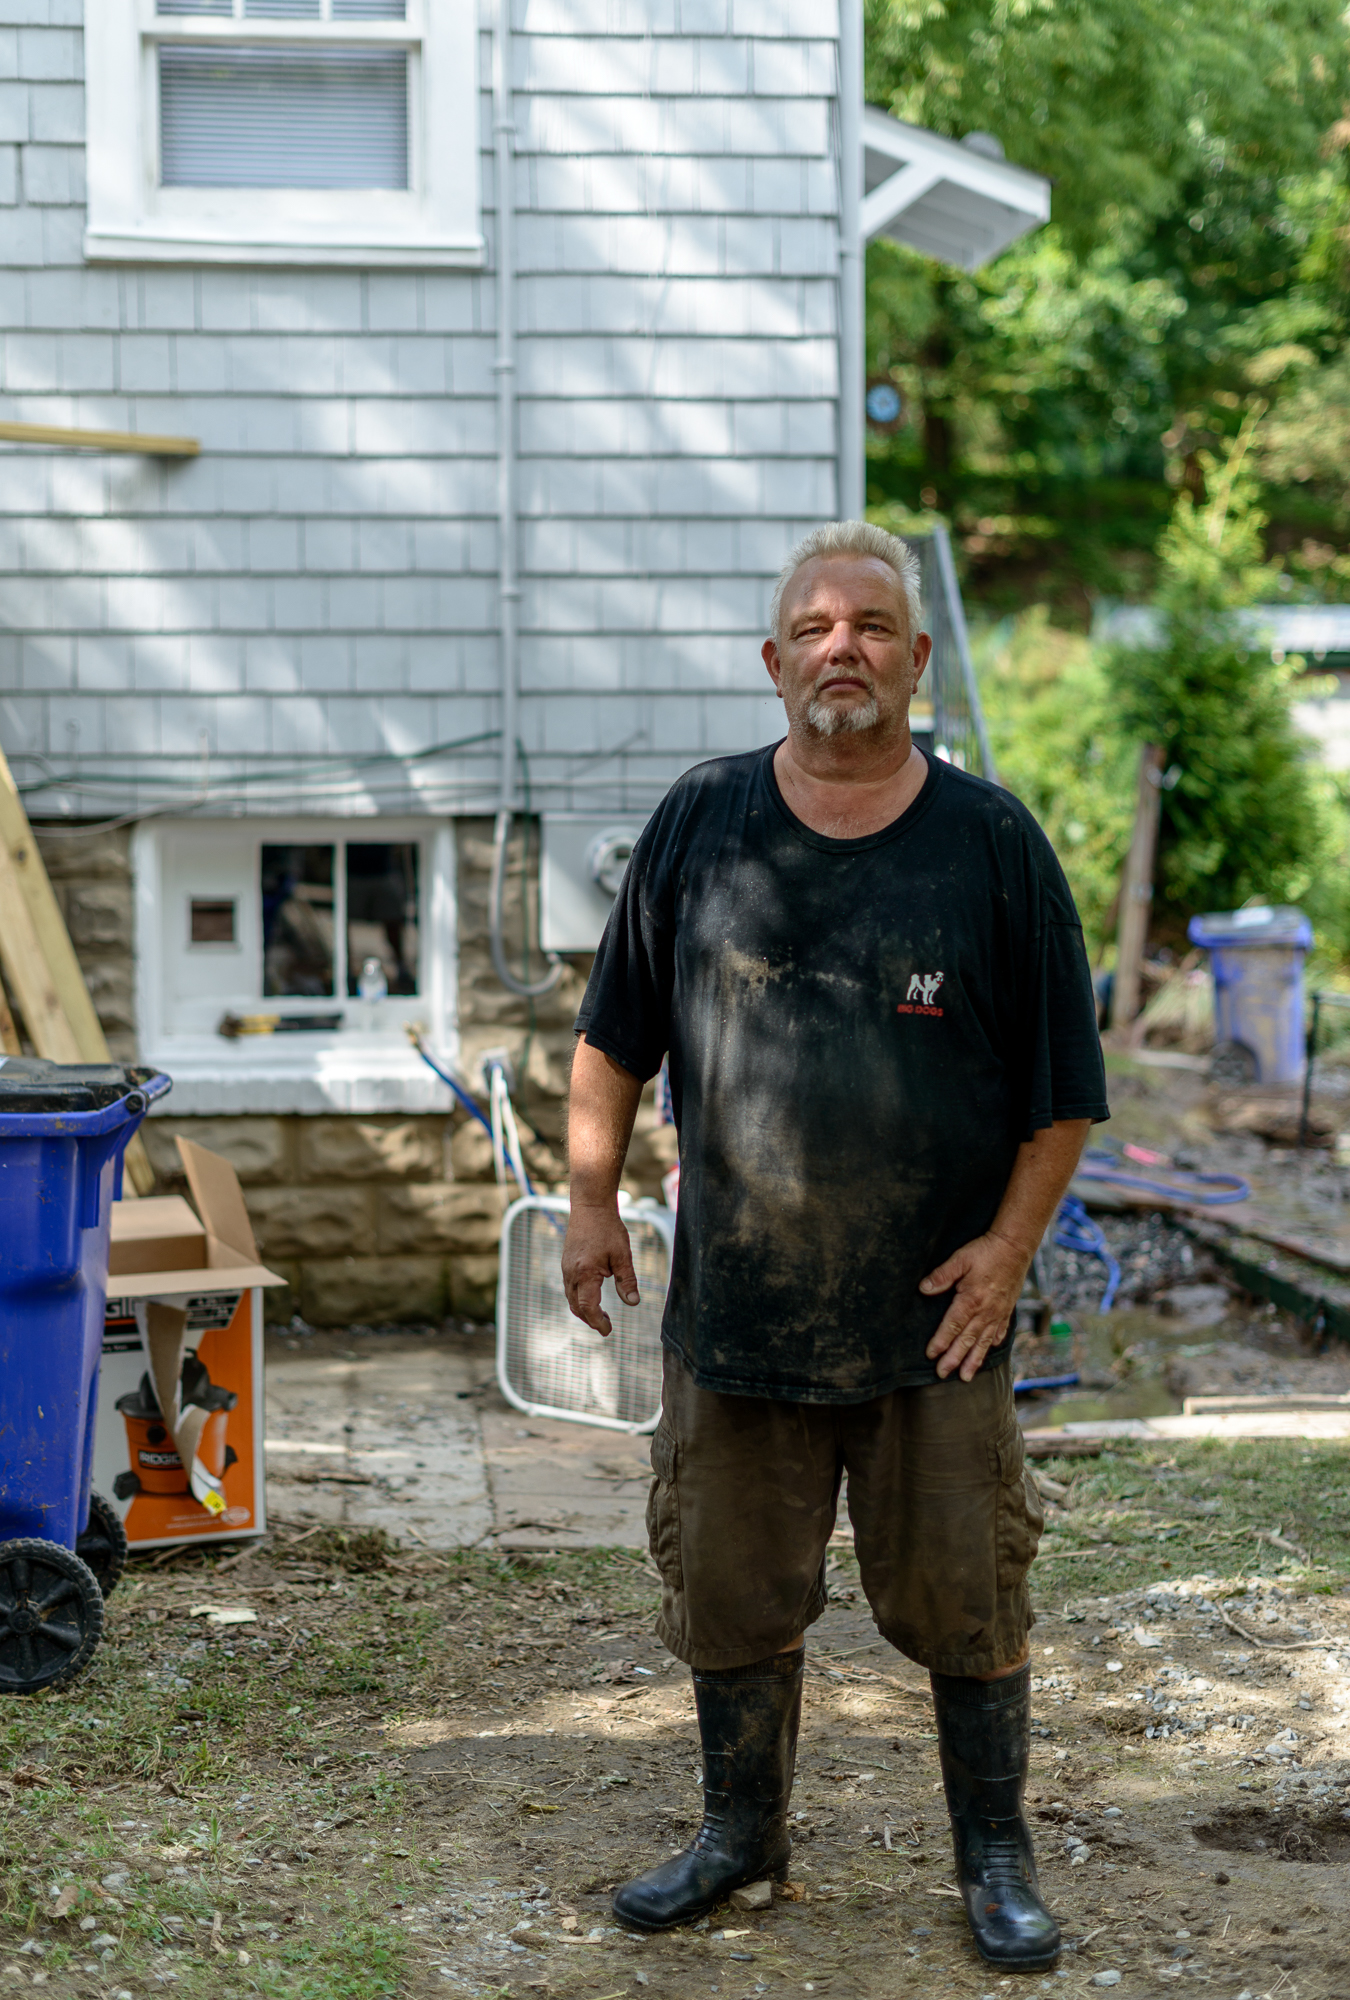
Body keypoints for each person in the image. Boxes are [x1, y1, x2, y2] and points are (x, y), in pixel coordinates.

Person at [562, 521, 1108, 1971]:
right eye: (812, 627)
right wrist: (588, 1198)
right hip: (738, 1313)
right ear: (772, 660)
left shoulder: (990, 844)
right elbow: (610, 1041)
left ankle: (993, 1852)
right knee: (731, 1591)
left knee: (965, 1592)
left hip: (936, 1325)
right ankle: (740, 1837)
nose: (840, 649)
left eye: (869, 625)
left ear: (916, 658)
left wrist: (1002, 1253)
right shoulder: (701, 824)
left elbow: (1063, 1093)